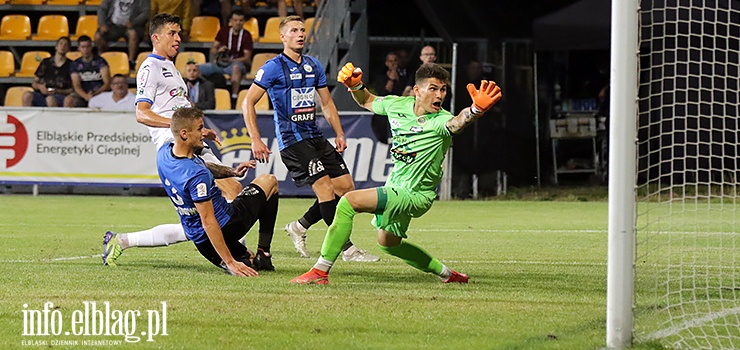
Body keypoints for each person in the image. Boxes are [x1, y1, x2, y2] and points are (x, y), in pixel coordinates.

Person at [291, 62, 501, 284]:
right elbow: (368, 100)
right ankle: (449, 275)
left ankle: (320, 272)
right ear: (417, 91)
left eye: (443, 89)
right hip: (396, 187)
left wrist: (475, 110)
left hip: (416, 195)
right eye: (433, 88)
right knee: (389, 244)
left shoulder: (439, 120)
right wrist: (356, 86)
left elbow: (457, 123)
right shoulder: (397, 105)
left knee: (348, 202)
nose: (439, 95)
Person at [102, 13, 244, 266]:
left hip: (189, 140)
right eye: (172, 33)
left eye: (179, 33)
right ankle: (238, 253)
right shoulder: (150, 67)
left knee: (206, 213)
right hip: (175, 146)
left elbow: (179, 109)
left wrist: (199, 131)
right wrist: (180, 128)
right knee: (226, 196)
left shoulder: (172, 69)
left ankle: (122, 241)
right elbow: (141, 113)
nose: (178, 38)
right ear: (156, 37)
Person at [241, 15, 378, 262]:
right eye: (294, 30)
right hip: (293, 141)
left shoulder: (313, 65)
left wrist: (338, 132)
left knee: (346, 189)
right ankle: (347, 249)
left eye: (303, 30)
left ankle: (299, 226)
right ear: (283, 37)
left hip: (315, 137)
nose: (301, 34)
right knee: (325, 189)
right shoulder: (272, 67)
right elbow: (248, 101)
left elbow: (326, 103)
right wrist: (255, 138)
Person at [158, 107, 278, 275]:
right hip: (228, 224)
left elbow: (203, 164)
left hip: (201, 243)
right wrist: (230, 262)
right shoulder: (196, 176)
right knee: (269, 181)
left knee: (248, 262)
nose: (203, 133)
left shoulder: (164, 154)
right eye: (200, 129)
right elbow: (208, 221)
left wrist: (232, 172)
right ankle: (263, 253)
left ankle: (244, 258)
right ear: (184, 133)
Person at [198, 9, 252, 100]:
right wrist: (219, 50)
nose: (238, 23)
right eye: (235, 20)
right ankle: (200, 94)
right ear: (231, 21)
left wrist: (231, 61)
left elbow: (246, 58)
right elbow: (213, 49)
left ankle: (234, 97)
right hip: (221, 64)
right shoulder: (224, 31)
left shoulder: (246, 35)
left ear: (244, 22)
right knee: (196, 69)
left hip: (236, 64)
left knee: (236, 67)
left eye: (240, 20)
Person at [95, 0, 150, 69]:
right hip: (112, 26)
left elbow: (145, 13)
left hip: (132, 26)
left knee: (132, 34)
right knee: (98, 36)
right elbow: (102, 9)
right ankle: (102, 59)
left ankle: (131, 61)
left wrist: (134, 22)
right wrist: (102, 24)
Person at [22, 37, 73, 107]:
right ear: (56, 47)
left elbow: (73, 89)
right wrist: (40, 87)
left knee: (50, 99)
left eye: (65, 45)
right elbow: (34, 83)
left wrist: (57, 91)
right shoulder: (45, 62)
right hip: (42, 93)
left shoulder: (71, 65)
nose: (63, 46)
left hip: (60, 95)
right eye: (61, 44)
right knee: (26, 96)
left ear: (68, 49)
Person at [65, 36, 111, 108]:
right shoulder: (75, 64)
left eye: (88, 47)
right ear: (79, 48)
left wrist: (95, 94)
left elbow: (107, 83)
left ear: (91, 47)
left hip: (99, 93)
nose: (85, 50)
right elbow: (76, 85)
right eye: (83, 47)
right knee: (69, 100)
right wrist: (86, 96)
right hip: (82, 95)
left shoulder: (100, 62)